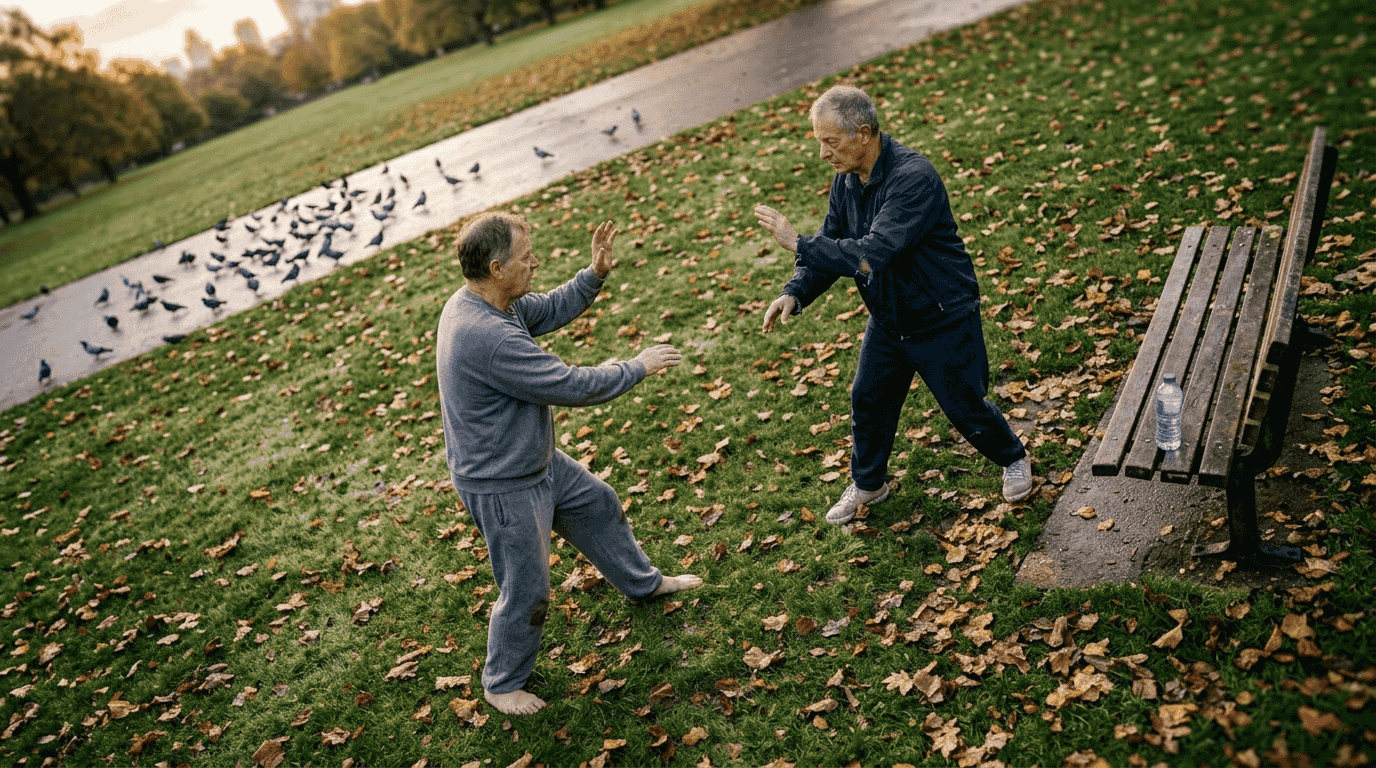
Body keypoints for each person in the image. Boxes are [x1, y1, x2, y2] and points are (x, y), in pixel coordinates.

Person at [436, 212, 703, 716]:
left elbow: (551, 306)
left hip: (530, 459)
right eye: (525, 257)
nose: (535, 263)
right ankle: (501, 682)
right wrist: (637, 366)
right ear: (496, 267)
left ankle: (643, 585)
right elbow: (572, 385)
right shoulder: (486, 335)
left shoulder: (493, 302)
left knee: (598, 504)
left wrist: (594, 274)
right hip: (502, 482)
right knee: (527, 587)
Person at [753, 84, 1032, 526]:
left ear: (863, 134)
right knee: (869, 400)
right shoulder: (846, 183)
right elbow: (833, 244)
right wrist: (796, 291)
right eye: (818, 142)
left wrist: (796, 242)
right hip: (890, 317)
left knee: (964, 405)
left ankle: (1013, 457)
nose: (823, 154)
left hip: (941, 313)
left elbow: (869, 254)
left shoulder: (912, 178)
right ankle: (869, 484)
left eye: (830, 141)